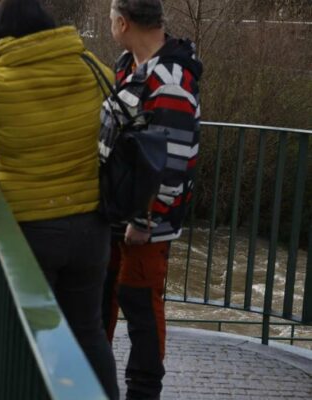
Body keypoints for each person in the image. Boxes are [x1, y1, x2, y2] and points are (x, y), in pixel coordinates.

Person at [0, 0, 119, 398]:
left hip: (30, 233)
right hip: (91, 227)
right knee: (87, 331)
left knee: (32, 337)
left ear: (1, 37)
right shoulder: (93, 68)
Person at [99, 1, 203, 399]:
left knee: (139, 305)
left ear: (122, 22)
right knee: (104, 297)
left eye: (111, 19)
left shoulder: (172, 79)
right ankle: (97, 383)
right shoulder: (130, 65)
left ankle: (143, 392)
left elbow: (171, 162)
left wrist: (144, 221)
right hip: (116, 212)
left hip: (144, 225)